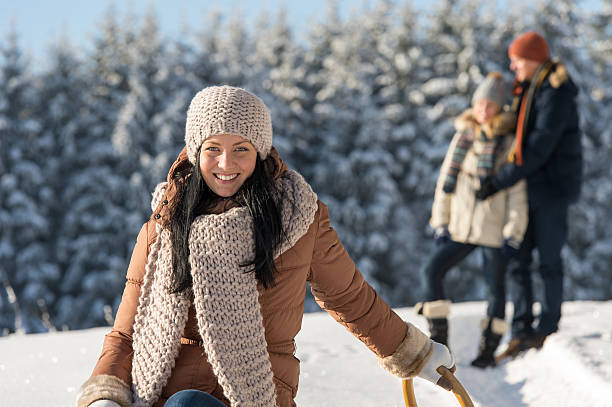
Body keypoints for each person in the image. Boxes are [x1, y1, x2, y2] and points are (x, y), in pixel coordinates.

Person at [76, 86, 455, 407]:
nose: (226, 163)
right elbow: (127, 334)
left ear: (259, 150)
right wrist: (105, 394)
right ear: (195, 151)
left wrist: (413, 353)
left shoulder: (298, 217)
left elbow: (348, 295)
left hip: (257, 391)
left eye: (241, 148)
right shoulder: (165, 224)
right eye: (213, 149)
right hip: (162, 391)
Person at [476, 31, 582, 356]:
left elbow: (538, 146)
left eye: (517, 59)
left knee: (548, 260)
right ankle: (521, 329)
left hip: (552, 189)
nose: (512, 65)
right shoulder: (526, 90)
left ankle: (547, 328)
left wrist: (499, 180)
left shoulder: (556, 91)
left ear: (533, 58)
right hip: (527, 188)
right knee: (518, 259)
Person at [417, 72, 528, 368]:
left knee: (496, 289)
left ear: (500, 108)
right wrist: (440, 222)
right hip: (460, 227)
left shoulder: (507, 143)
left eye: (490, 105)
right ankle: (440, 344)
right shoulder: (463, 136)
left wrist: (513, 233)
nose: (483, 110)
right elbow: (445, 181)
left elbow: (517, 193)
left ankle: (487, 351)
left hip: (494, 230)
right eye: (480, 103)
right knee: (431, 270)